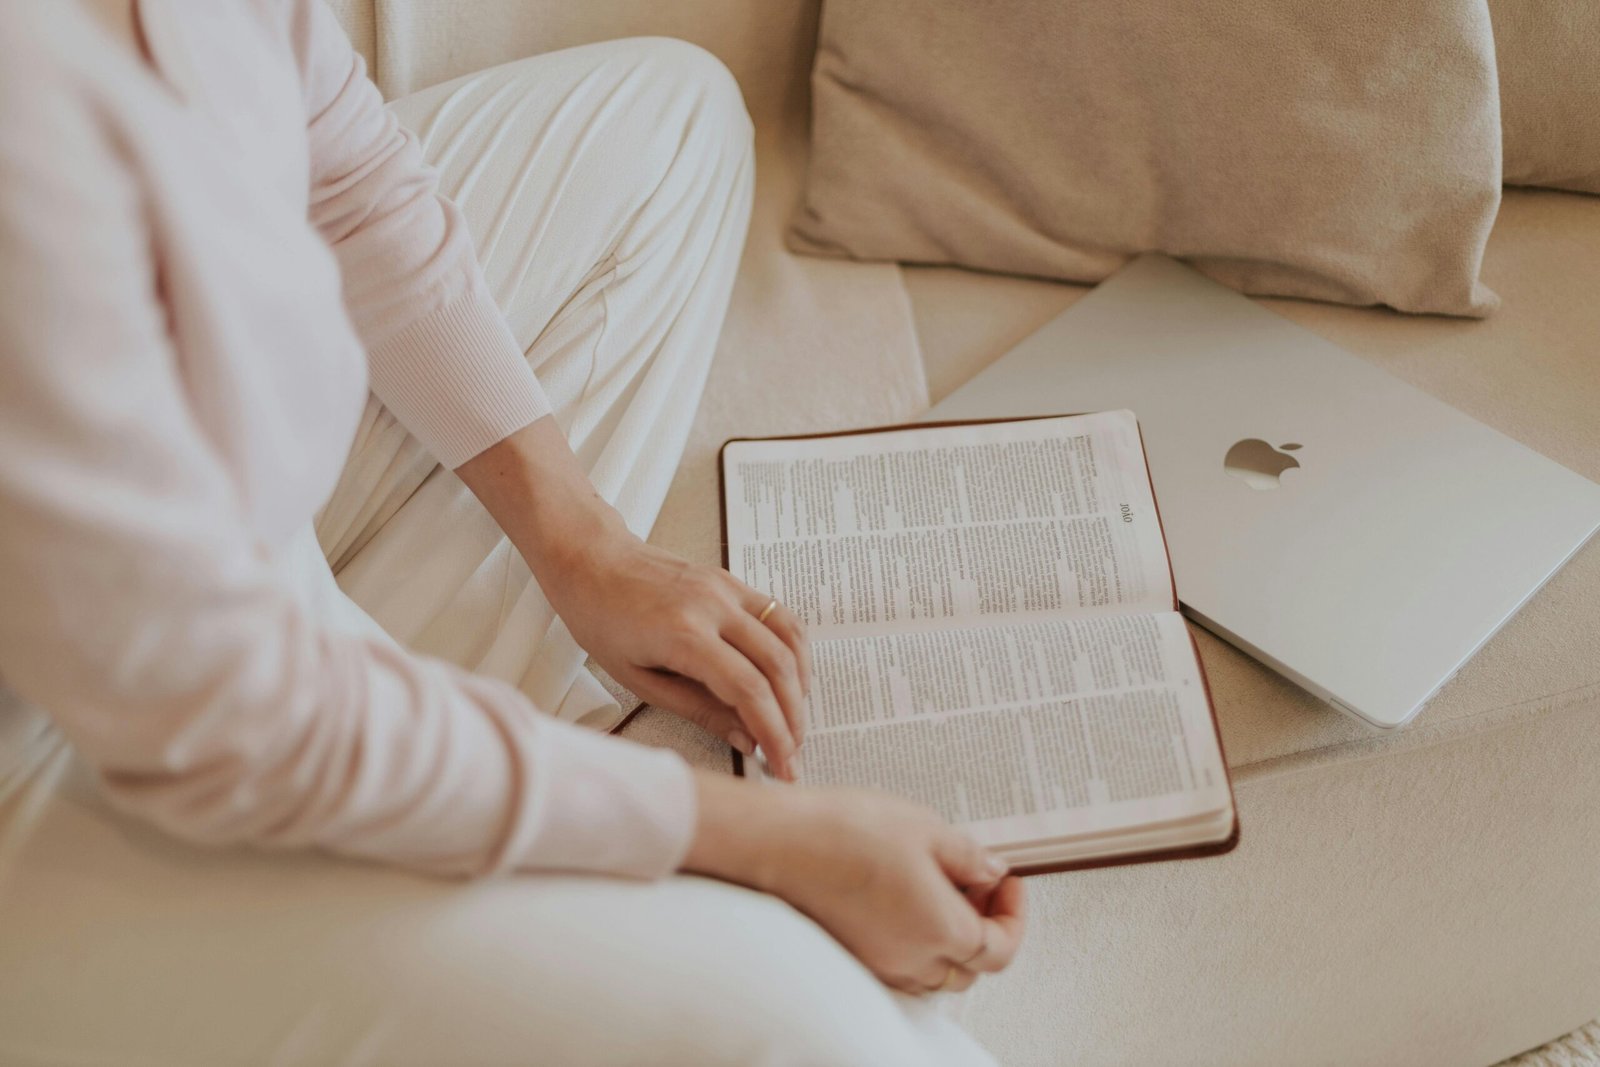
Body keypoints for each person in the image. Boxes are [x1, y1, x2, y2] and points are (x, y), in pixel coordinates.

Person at [0, 1, 1026, 1064]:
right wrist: (753, 840)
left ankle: (455, 786)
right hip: (64, 770)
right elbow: (223, 704)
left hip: (212, 563)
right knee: (836, 1033)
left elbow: (340, 171)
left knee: (673, 126)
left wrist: (586, 547)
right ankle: (454, 823)